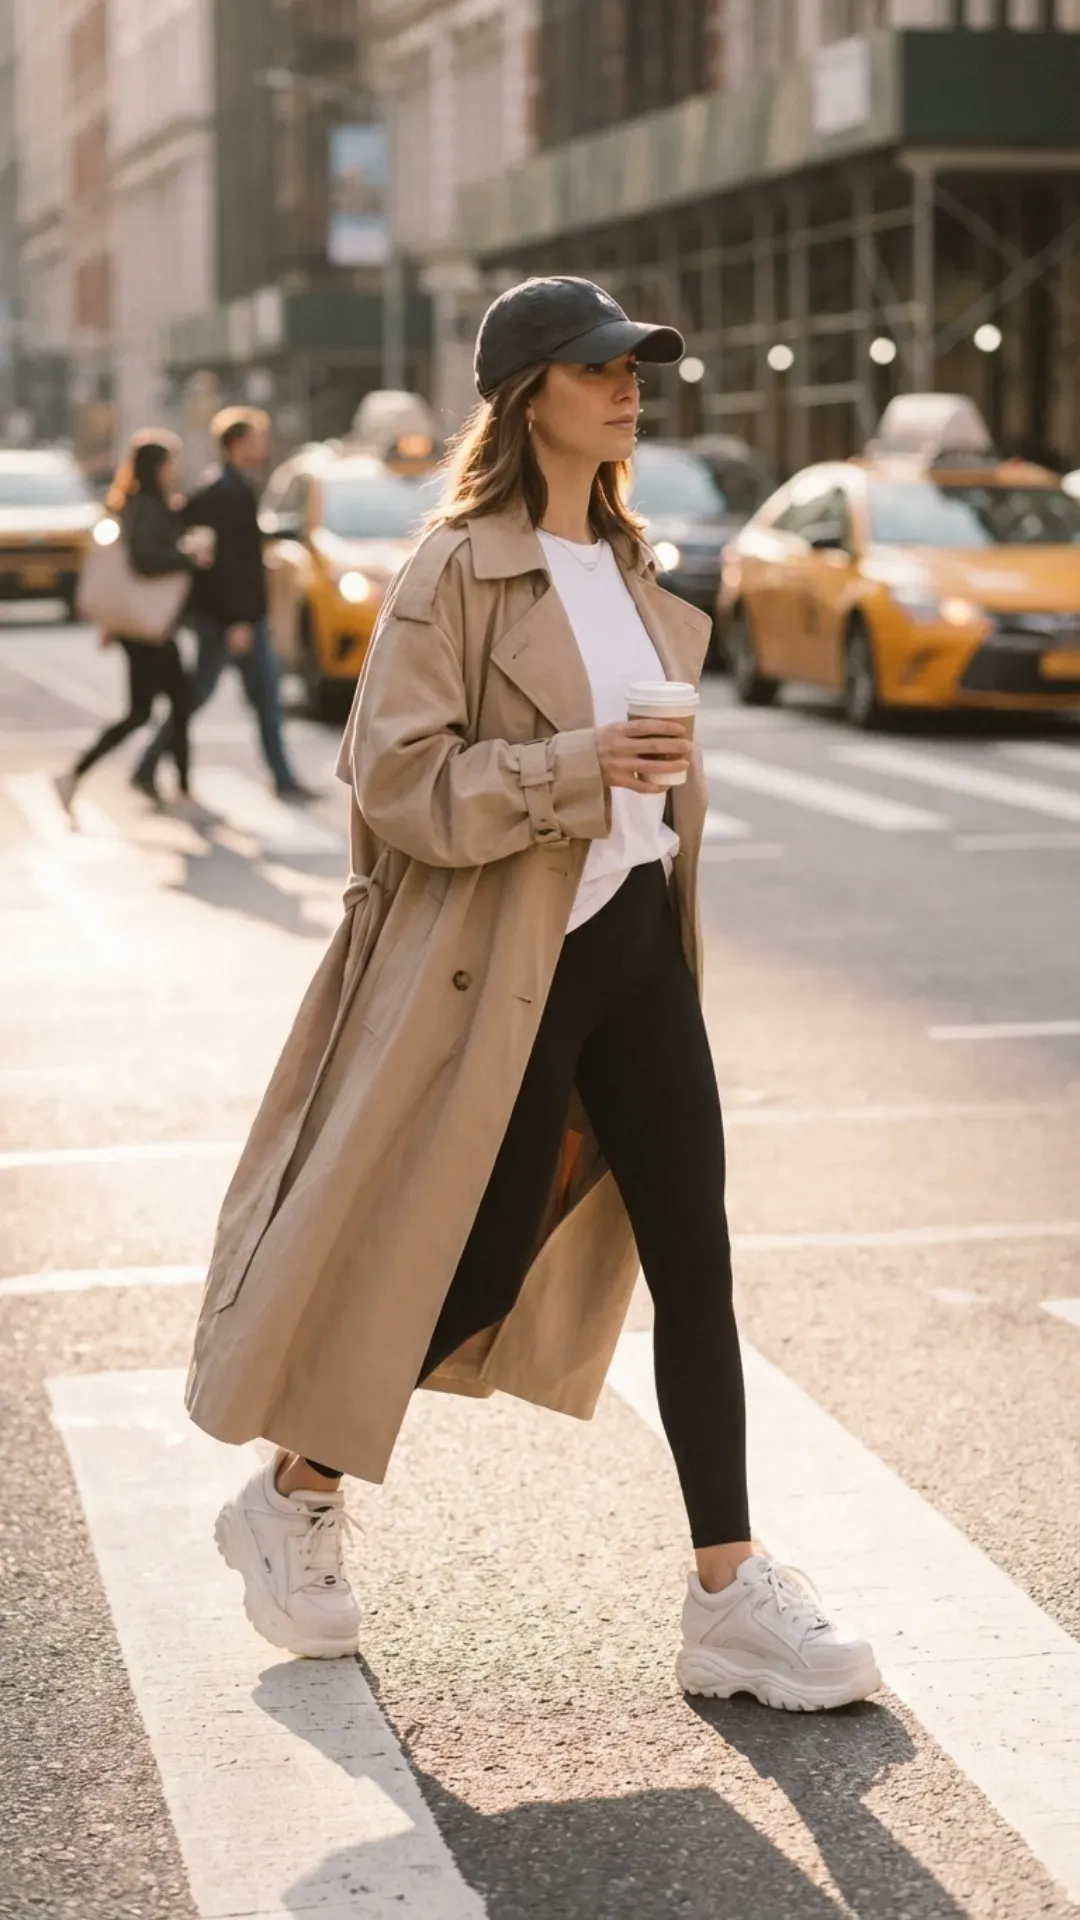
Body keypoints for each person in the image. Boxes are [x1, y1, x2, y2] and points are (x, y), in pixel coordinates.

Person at [187, 278, 881, 1712]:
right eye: (600, 368)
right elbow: (394, 785)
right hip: (506, 971)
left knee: (697, 1255)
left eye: (637, 368)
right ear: (527, 395)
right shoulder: (453, 570)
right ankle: (295, 1492)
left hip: (636, 953)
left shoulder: (633, 571)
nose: (631, 388)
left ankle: (729, 1593)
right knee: (481, 1260)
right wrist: (575, 768)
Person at [132, 406, 316, 803]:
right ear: (236, 444)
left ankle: (282, 777)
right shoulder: (226, 492)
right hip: (232, 618)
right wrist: (238, 620)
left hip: (237, 615)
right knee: (206, 694)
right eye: (256, 439)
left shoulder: (231, 487)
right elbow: (226, 565)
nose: (264, 446)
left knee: (256, 696)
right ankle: (147, 765)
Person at [54, 430, 208, 812]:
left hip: (145, 626)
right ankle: (178, 788)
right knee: (167, 704)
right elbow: (144, 560)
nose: (176, 470)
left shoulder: (146, 504)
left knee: (154, 708)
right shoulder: (146, 506)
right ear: (157, 467)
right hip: (147, 630)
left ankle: (78, 774)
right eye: (171, 463)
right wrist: (188, 558)